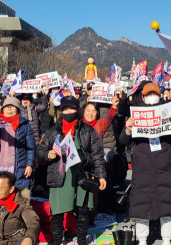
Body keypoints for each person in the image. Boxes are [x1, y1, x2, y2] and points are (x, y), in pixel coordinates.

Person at [119, 82, 171, 245]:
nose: (151, 97)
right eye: (148, 94)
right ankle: (142, 240)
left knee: (166, 205)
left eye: (154, 93)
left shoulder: (168, 111)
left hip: (164, 165)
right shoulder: (136, 113)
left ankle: (167, 240)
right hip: (142, 167)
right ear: (143, 96)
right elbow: (124, 140)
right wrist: (127, 129)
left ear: (159, 94)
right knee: (141, 205)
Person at [37, 97, 107, 245]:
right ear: (61, 111)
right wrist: (47, 154)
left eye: (72, 109)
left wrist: (101, 175)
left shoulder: (88, 131)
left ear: (78, 110)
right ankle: (57, 242)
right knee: (57, 212)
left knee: (83, 212)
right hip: (60, 174)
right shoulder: (53, 131)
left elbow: (97, 155)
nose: (69, 112)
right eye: (65, 109)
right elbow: (40, 152)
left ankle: (82, 241)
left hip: (82, 173)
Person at [0, 97, 36, 190]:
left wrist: (29, 165)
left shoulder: (25, 125)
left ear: (17, 109)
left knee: (15, 196)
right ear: (2, 109)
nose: (9, 109)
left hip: (17, 168)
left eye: (12, 106)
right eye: (6, 107)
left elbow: (31, 147)